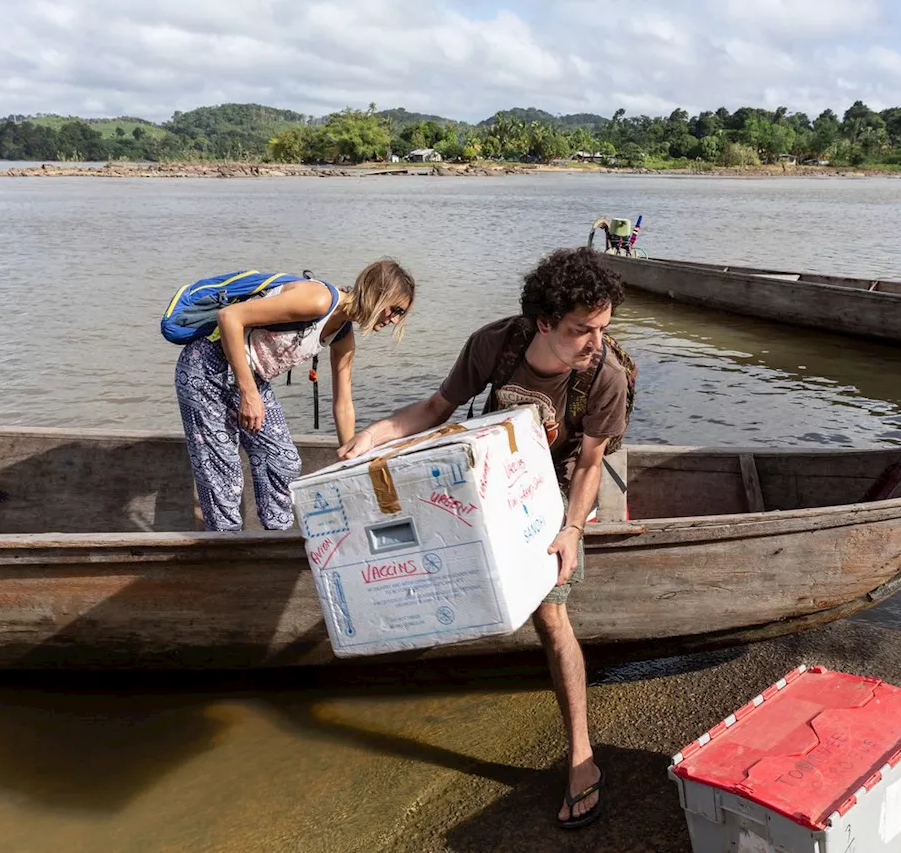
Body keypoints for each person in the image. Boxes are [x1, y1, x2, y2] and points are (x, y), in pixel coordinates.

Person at [338, 247, 629, 829]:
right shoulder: (495, 344)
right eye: (581, 331)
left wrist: (571, 530)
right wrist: (373, 435)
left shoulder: (605, 377)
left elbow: (592, 465)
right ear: (544, 322)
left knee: (551, 618)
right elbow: (437, 408)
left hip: (559, 486)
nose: (594, 342)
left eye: (602, 329)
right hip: (496, 473)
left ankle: (582, 758)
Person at [176, 259, 415, 532]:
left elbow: (343, 402)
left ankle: (275, 539)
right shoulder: (318, 299)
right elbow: (230, 317)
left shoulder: (343, 334)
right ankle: (225, 551)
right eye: (394, 309)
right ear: (377, 292)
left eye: (400, 315)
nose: (394, 319)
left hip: (252, 377)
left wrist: (350, 457)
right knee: (224, 474)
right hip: (206, 367)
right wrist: (248, 393)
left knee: (284, 461)